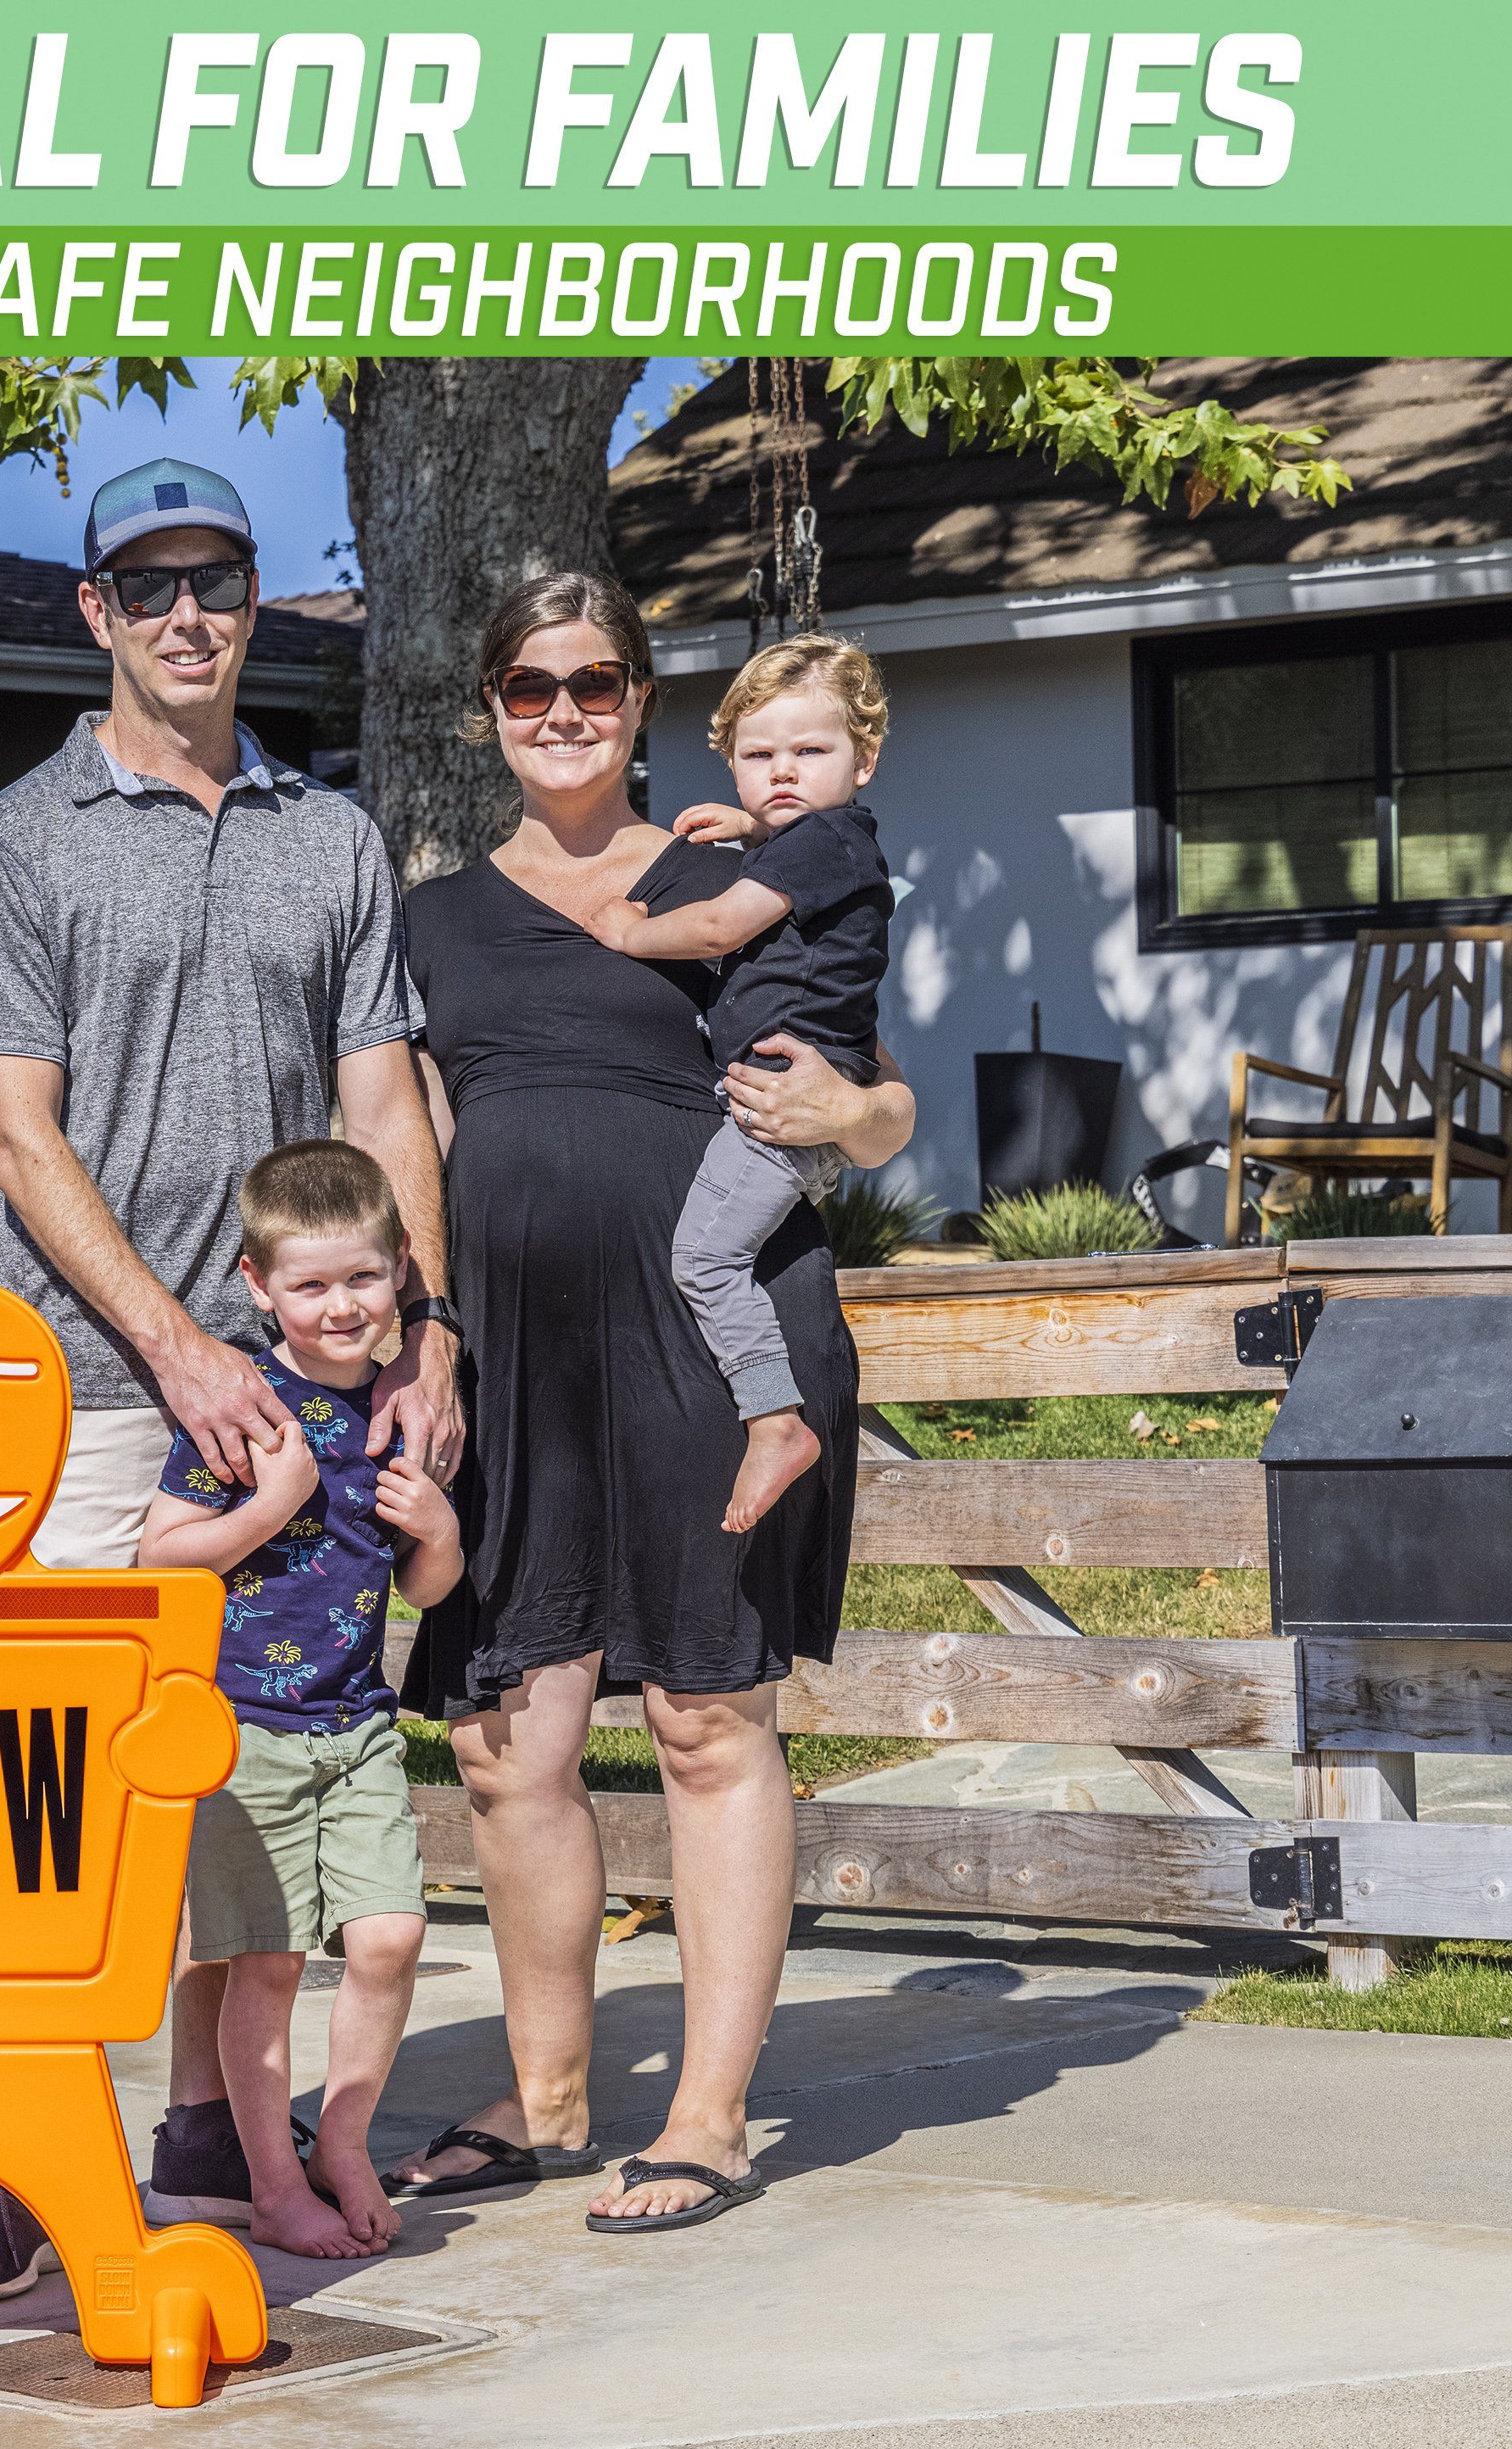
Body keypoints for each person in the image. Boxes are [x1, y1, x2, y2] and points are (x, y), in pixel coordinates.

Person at [0, 457, 463, 2299]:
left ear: (250, 598)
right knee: (62, 1789)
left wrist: (428, 1329)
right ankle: (24, 2144)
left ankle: (206, 2121)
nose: (184, 615)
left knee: (246, 1764)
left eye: (214, 579)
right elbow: (15, 1132)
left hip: (306, 1381)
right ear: (95, 611)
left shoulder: (333, 834)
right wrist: (177, 1346)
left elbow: (385, 1098)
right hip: (94, 1386)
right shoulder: (17, 840)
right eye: (145, 585)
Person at [385, 572, 915, 2231]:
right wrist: (421, 1336)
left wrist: (853, 1117)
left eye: (597, 683)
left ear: (638, 702)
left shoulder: (736, 867)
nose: (563, 713)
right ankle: (547, 2097)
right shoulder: (430, 920)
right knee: (508, 1740)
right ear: (488, 710)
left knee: (703, 1718)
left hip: (711, 1339)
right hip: (514, 1355)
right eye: (529, 687)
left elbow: (880, 1099)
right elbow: (409, 1137)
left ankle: (707, 2114)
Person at [138, 1141, 461, 2258]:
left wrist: (442, 1536)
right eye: (311, 1284)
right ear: (259, 1283)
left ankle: (346, 2142)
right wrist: (268, 1509)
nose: (341, 1306)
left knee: (392, 1935)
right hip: (243, 1737)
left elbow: (421, 1587)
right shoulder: (242, 1406)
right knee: (267, 1964)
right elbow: (160, 1561)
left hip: (359, 1725)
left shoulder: (400, 1406)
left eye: (363, 1278)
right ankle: (274, 2187)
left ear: (401, 1267)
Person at [586, 636, 896, 1534]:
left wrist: (628, 931)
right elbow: (794, 875)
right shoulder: (820, 843)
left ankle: (773, 1421)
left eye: (810, 751)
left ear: (864, 761)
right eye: (759, 757)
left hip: (782, 1105)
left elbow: (723, 925)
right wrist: (756, 831)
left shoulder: (827, 839)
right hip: (782, 1100)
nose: (782, 771)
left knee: (704, 1260)